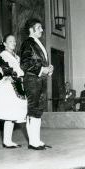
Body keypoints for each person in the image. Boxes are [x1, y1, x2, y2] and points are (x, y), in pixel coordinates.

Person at [20, 18, 54, 150]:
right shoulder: (27, 43)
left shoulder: (37, 43)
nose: (42, 30)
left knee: (38, 111)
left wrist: (48, 68)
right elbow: (25, 63)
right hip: (32, 80)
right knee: (33, 110)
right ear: (31, 29)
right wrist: (41, 69)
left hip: (40, 80)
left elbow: (40, 62)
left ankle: (37, 140)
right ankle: (33, 142)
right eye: (39, 27)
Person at [0, 34, 27, 148]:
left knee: (13, 115)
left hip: (17, 85)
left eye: (14, 41)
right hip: (8, 88)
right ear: (5, 43)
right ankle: (6, 141)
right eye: (10, 41)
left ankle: (8, 140)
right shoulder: (2, 56)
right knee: (8, 115)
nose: (14, 43)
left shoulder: (16, 57)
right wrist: (4, 78)